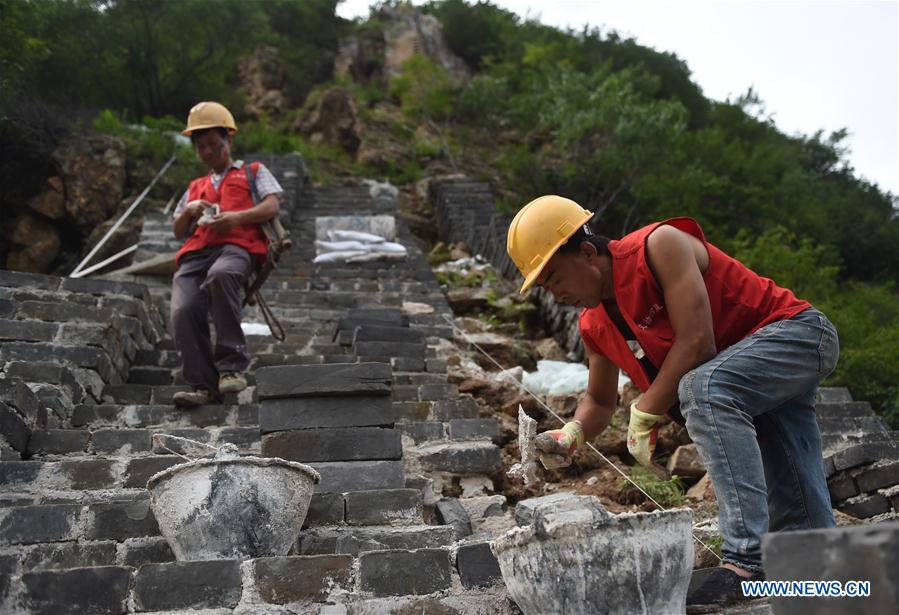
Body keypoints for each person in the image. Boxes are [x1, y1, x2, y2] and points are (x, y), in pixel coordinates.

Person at [506, 195, 839, 608]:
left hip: (798, 335)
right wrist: (572, 432)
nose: (557, 294)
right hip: (749, 378)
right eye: (546, 287)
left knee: (701, 389)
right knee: (801, 517)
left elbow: (698, 341)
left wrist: (645, 409)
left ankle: (747, 560)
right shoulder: (594, 324)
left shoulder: (658, 247)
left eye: (555, 278)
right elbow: (599, 399)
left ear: (588, 253)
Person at [170, 101, 283, 407]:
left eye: (213, 144)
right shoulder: (195, 186)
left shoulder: (253, 172)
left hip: (237, 247)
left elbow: (272, 205)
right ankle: (203, 386)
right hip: (195, 254)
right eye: (201, 147)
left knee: (221, 275)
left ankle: (231, 367)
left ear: (228, 140)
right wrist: (190, 210)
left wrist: (236, 218)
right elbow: (178, 229)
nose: (208, 151)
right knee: (183, 309)